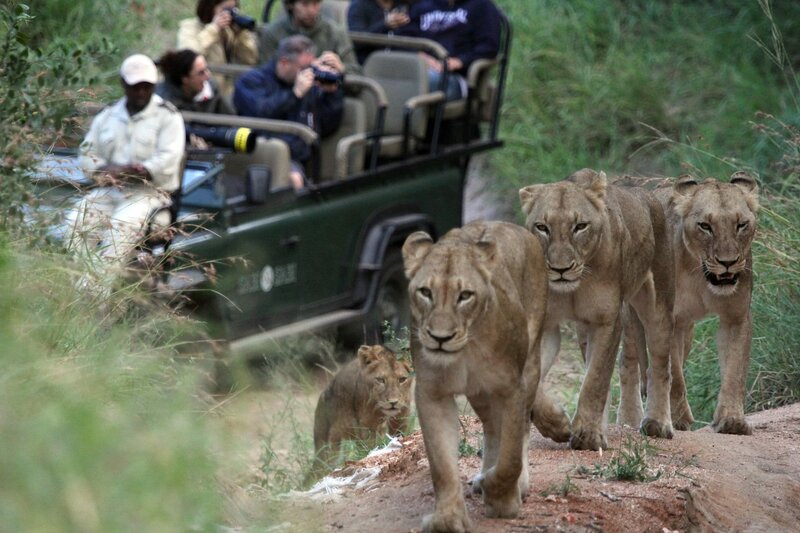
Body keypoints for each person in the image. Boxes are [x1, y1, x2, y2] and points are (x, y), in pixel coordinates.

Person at [66, 54, 185, 290]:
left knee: (120, 227)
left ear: (153, 86)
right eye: (135, 87)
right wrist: (103, 170)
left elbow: (168, 160)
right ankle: (77, 284)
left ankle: (94, 294)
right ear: (123, 84)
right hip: (111, 191)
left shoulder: (168, 116)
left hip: (151, 196)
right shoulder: (108, 116)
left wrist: (139, 171)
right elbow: (87, 153)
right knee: (75, 222)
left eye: (146, 87)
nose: (141, 92)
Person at [234, 35, 344, 189]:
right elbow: (260, 113)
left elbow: (328, 125)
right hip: (262, 154)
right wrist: (295, 95)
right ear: (285, 63)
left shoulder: (308, 85)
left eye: (312, 67)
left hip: (303, 158)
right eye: (304, 68)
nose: (310, 73)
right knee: (294, 179)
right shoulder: (251, 81)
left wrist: (332, 94)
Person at [397, 0, 501, 101]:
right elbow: (401, 39)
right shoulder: (423, 5)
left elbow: (489, 46)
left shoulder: (482, 6)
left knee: (418, 81)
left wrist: (458, 61)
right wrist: (420, 56)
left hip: (456, 77)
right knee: (390, 75)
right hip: (419, 66)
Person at [259, 0, 361, 75]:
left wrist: (341, 68)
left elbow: (357, 77)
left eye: (316, 4)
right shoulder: (273, 32)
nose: (311, 10)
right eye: (305, 4)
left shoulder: (335, 33)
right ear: (291, 5)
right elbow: (263, 74)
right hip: (284, 95)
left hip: (325, 96)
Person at [178, 0, 259, 95]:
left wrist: (241, 35)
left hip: (226, 93)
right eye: (226, 9)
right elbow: (188, 58)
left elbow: (250, 60)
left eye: (233, 9)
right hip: (199, 92)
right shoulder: (189, 28)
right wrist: (213, 29)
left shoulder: (229, 32)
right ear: (210, 8)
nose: (229, 14)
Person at [156, 49, 235, 114]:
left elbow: (231, 119)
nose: (208, 75)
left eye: (206, 69)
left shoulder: (211, 88)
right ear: (185, 79)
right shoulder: (163, 102)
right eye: (201, 73)